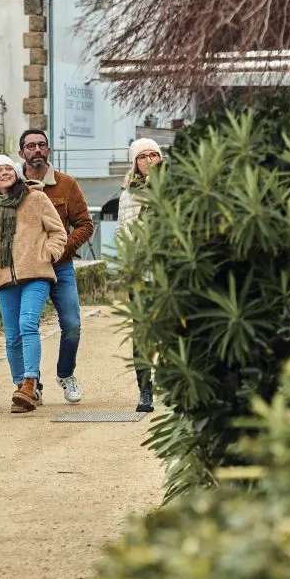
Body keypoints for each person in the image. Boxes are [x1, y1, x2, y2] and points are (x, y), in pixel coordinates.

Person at [0, 154, 68, 414]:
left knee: (27, 323)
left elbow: (58, 232)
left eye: (9, 169)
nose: (4, 173)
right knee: (11, 337)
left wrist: (47, 254)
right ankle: (21, 388)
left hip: (36, 274)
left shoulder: (36, 198)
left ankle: (30, 381)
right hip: (3, 278)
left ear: (17, 173)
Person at [16, 128, 94, 403]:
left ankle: (65, 373)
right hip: (27, 270)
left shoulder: (66, 184)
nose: (37, 150)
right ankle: (30, 383)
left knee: (72, 324)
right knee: (25, 325)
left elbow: (85, 225)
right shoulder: (12, 185)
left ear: (48, 150)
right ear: (21, 153)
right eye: (31, 146)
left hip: (60, 267)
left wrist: (60, 248)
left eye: (41, 145)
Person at [118, 137, 164, 413]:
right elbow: (123, 231)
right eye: (142, 156)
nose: (149, 160)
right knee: (143, 332)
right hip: (140, 272)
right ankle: (145, 390)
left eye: (153, 155)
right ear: (135, 162)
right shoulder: (127, 195)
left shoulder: (174, 188)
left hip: (168, 270)